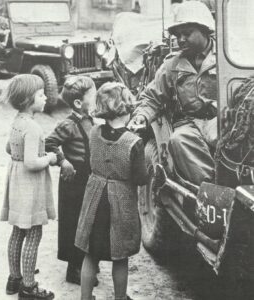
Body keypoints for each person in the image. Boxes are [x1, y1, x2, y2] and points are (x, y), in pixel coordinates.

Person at [128, 1, 217, 186]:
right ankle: (210, 187)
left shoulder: (227, 56)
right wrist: (142, 117)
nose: (181, 39)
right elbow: (152, 97)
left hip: (222, 119)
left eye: (187, 33)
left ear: (205, 31)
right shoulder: (172, 65)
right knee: (179, 140)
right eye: (178, 35)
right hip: (190, 123)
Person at [75, 82, 148, 300]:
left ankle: (85, 297)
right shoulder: (134, 142)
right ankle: (119, 297)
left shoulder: (94, 132)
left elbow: (91, 162)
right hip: (120, 204)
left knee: (90, 254)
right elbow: (140, 178)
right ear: (125, 109)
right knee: (120, 255)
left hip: (95, 200)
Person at [0, 74, 56, 300]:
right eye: (41, 95)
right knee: (33, 231)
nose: (45, 98)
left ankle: (14, 279)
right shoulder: (32, 127)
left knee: (17, 231)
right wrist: (50, 157)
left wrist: (21, 155)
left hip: (16, 183)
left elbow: (8, 148)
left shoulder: (17, 122)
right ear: (27, 100)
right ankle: (29, 286)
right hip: (30, 186)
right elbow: (32, 163)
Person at [45, 76, 98, 286]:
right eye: (92, 97)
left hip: (89, 179)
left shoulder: (91, 120)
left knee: (89, 220)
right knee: (73, 223)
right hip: (73, 181)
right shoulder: (68, 124)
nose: (95, 101)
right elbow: (49, 143)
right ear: (78, 103)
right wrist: (63, 160)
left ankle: (86, 264)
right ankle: (73, 269)